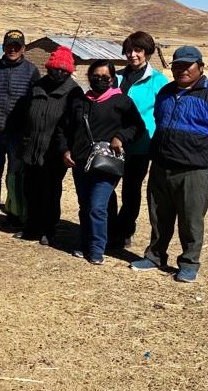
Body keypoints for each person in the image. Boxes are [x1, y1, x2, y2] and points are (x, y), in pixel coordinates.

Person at [131, 46, 208, 283]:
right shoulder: (166, 92)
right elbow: (159, 119)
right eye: (177, 65)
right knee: (159, 216)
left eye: (187, 66)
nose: (182, 70)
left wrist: (200, 152)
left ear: (200, 67)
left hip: (192, 171)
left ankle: (189, 263)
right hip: (161, 165)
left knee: (191, 219)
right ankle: (155, 256)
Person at [61, 59, 144, 265]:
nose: (100, 80)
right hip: (80, 162)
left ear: (112, 79)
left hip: (106, 163)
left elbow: (137, 127)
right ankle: (85, 243)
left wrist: (121, 137)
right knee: (84, 205)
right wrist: (65, 149)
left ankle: (97, 249)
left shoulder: (122, 102)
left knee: (97, 207)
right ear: (89, 78)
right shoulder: (80, 101)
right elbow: (65, 128)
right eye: (96, 76)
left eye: (105, 77)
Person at [107, 31, 169, 248]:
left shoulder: (158, 81)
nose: (132, 55)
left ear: (148, 52)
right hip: (112, 144)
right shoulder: (116, 78)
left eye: (138, 50)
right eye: (128, 50)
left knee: (131, 191)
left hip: (141, 146)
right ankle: (108, 228)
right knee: (106, 188)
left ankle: (124, 231)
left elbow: (164, 113)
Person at [17, 47, 83, 245]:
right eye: (55, 69)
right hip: (31, 147)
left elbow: (75, 124)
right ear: (48, 68)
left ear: (69, 71)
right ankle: (31, 227)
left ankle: (48, 229)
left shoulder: (74, 92)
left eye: (63, 70)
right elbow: (25, 114)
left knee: (50, 192)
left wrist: (67, 149)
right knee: (30, 189)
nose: (58, 73)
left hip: (54, 152)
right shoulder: (37, 86)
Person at [0, 29, 40, 227]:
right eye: (9, 46)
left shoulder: (32, 72)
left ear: (23, 49)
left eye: (16, 46)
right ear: (3, 47)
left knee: (15, 175)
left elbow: (36, 104)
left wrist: (29, 133)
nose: (12, 49)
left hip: (18, 135)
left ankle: (14, 211)